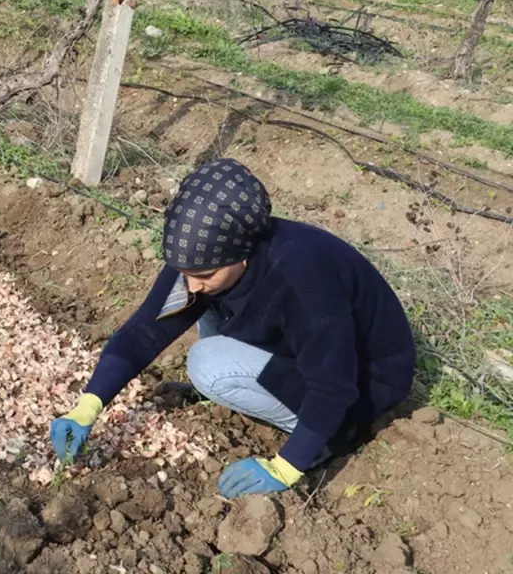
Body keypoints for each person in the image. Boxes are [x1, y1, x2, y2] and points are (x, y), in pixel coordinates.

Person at [50, 158, 415, 498]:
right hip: (304, 349)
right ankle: (255, 391)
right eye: (186, 273)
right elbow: (146, 330)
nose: (191, 284)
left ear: (242, 254)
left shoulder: (301, 278)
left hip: (364, 384)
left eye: (204, 274)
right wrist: (87, 405)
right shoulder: (203, 258)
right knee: (202, 303)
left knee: (207, 363)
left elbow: (334, 386)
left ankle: (333, 433)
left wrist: (286, 467)